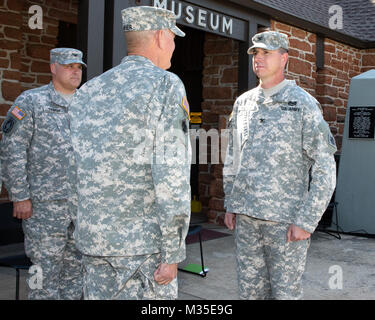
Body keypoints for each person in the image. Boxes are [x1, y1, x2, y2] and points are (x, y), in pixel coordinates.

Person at [68, 6, 191, 300]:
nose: (174, 46)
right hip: (143, 251)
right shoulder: (165, 85)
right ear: (161, 36)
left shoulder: (88, 90)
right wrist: (173, 251)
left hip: (93, 244)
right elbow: (171, 176)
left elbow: (73, 169)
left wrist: (82, 230)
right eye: (173, 38)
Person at [223, 31, 337, 300]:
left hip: (285, 222)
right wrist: (231, 202)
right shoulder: (244, 103)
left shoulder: (304, 104)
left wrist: (307, 220)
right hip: (247, 218)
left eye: (266, 53)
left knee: (284, 294)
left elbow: (324, 168)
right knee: (249, 292)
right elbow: (233, 157)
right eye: (255, 53)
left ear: (284, 58)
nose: (258, 58)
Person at [0, 48, 86, 300]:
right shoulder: (31, 102)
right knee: (44, 273)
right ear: (53, 68)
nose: (75, 71)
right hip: (44, 207)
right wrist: (19, 196)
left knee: (76, 272)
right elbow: (12, 149)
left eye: (79, 67)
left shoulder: (88, 103)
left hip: (81, 206)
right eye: (69, 66)